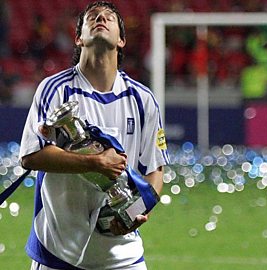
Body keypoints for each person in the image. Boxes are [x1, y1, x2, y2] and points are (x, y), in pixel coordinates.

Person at [19, 1, 169, 269]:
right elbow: (30, 156)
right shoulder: (54, 90)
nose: (101, 17)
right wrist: (94, 163)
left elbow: (155, 173)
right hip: (58, 250)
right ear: (79, 38)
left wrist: (133, 214)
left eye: (110, 17)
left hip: (122, 256)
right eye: (92, 17)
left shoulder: (143, 99)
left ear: (121, 40)